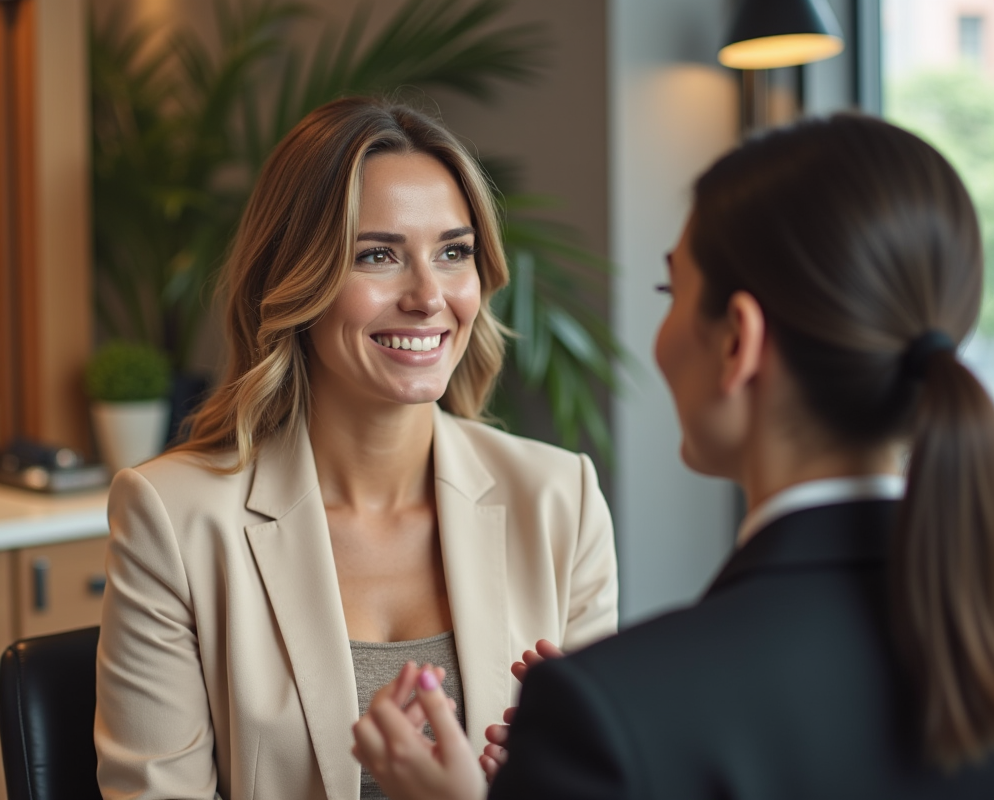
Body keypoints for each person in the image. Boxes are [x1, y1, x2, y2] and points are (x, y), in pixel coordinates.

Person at [352, 113, 994, 799]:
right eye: (378, 254)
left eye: (672, 293)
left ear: (735, 342)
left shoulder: (615, 711)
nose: (427, 296)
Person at [93, 96, 619, 800]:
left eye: (453, 252)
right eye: (377, 255)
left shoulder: (562, 500)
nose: (429, 296)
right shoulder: (173, 516)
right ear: (295, 278)